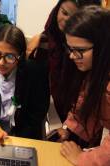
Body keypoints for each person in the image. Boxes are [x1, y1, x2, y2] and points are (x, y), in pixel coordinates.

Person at [0, 25, 49, 144]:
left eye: (10, 56)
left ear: (21, 56)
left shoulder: (35, 72)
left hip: (25, 135)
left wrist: (18, 138)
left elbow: (38, 111)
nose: (1, 63)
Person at [26, 0, 100, 122]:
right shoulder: (47, 40)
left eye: (75, 16)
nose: (67, 20)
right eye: (64, 13)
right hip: (55, 116)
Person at [56, 6, 110, 166]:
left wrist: (83, 159)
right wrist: (67, 128)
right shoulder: (96, 70)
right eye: (70, 49)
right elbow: (83, 102)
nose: (72, 56)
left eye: (79, 50)